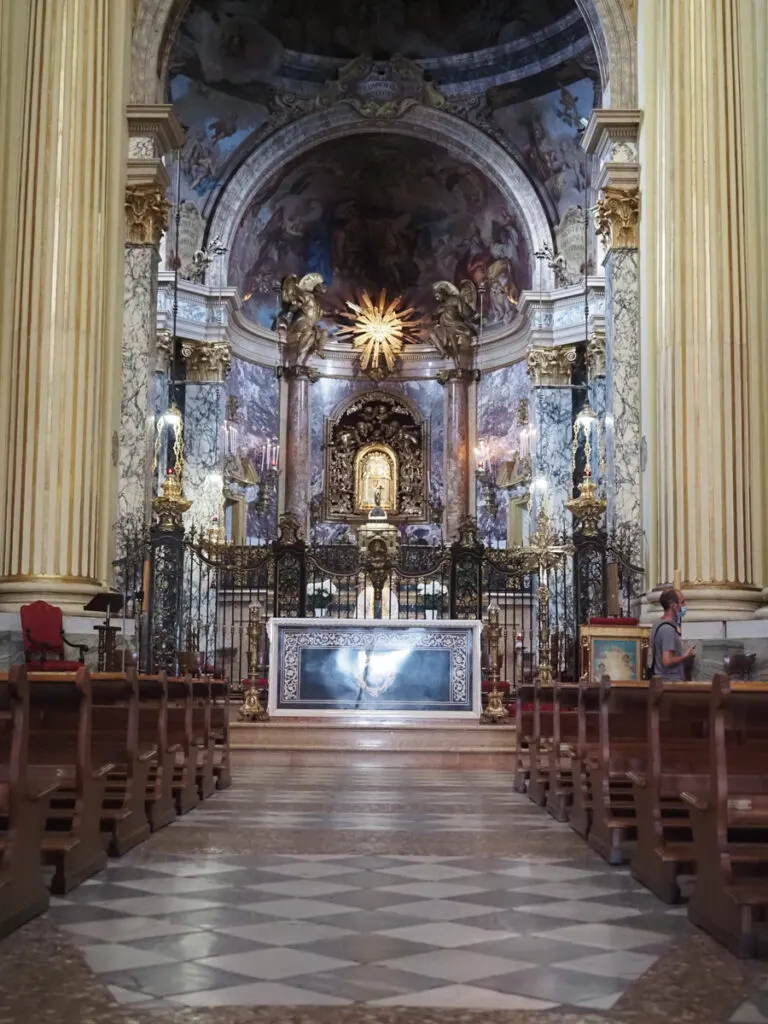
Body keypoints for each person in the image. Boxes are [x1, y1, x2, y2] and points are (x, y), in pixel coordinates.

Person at [648, 588, 696, 681]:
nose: (685, 606)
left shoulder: (657, 623)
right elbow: (667, 661)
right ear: (673, 605)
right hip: (670, 682)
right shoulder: (668, 629)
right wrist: (685, 656)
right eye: (682, 602)